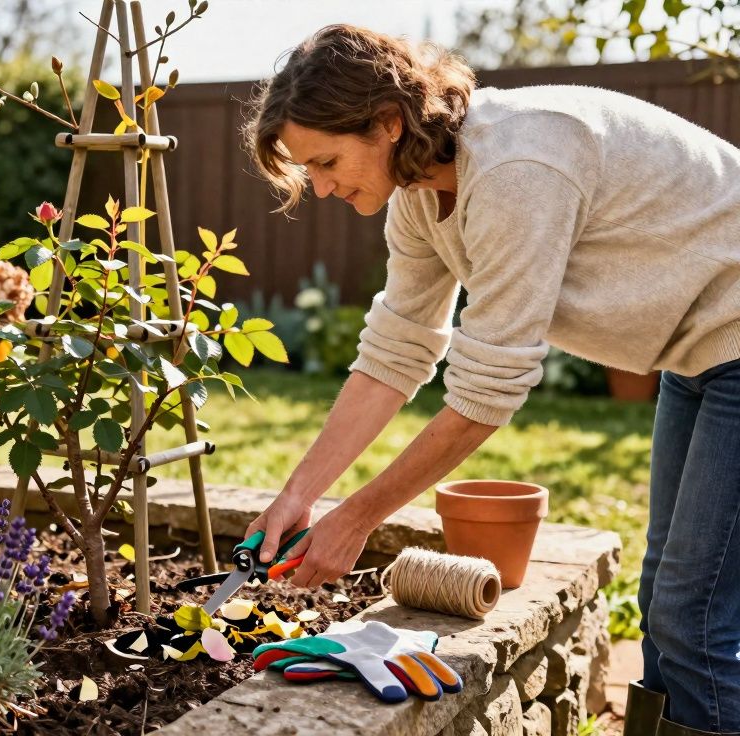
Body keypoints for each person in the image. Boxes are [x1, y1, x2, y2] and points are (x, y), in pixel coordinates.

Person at [240, 24, 740, 736]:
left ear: (386, 122)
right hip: (702, 354)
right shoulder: (418, 193)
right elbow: (397, 350)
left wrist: (354, 520)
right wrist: (298, 496)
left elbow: (485, 394)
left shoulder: (515, 167)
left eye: (326, 161)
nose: (318, 187)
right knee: (668, 599)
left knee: (691, 615)